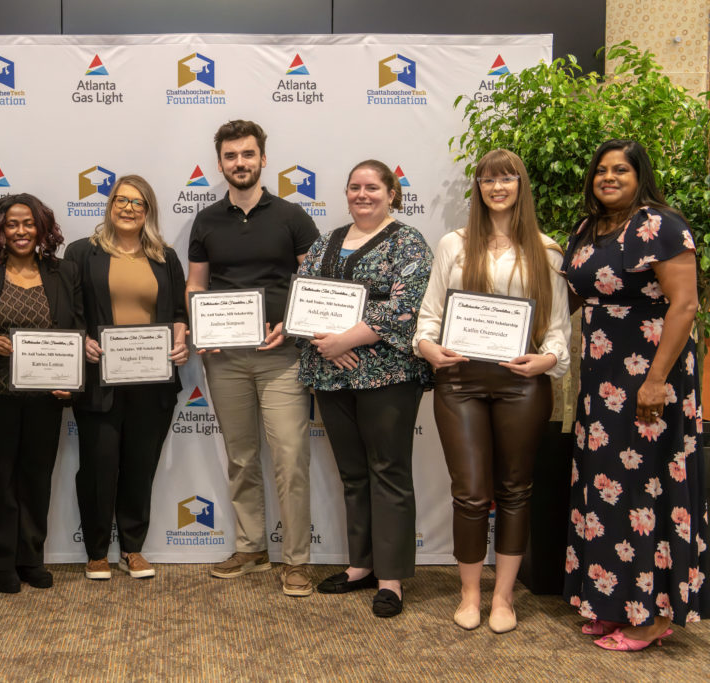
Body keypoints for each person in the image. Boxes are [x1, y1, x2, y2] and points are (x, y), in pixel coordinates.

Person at [414, 149, 571, 632]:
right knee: (470, 493)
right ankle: (469, 594)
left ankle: (503, 598)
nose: (497, 187)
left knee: (515, 490)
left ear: (521, 186)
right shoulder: (453, 245)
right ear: (478, 188)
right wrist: (427, 348)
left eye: (507, 178)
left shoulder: (546, 251)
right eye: (487, 179)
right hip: (459, 380)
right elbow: (428, 318)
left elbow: (559, 331)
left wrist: (546, 359)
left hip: (522, 383)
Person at [560, 139, 709, 649]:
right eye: (601, 170)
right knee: (605, 487)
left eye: (620, 169)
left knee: (645, 487)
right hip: (601, 378)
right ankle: (610, 601)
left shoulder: (662, 226)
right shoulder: (586, 228)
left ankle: (650, 616)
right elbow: (573, 292)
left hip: (650, 376)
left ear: (639, 174)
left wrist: (655, 380)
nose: (609, 178)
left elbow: (685, 305)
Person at [186, 120, 320, 596]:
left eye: (247, 154)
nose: (239, 163)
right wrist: (202, 329)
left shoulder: (293, 217)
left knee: (290, 457)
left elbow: (313, 286)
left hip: (282, 357)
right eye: (230, 156)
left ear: (263, 159)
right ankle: (251, 546)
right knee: (242, 457)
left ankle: (297, 559)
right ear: (219, 163)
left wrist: (295, 326)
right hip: (224, 359)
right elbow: (196, 286)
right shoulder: (206, 221)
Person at [298, 160, 432, 617]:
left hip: (388, 374)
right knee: (353, 473)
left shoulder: (409, 241)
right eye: (354, 186)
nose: (362, 194)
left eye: (372, 187)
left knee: (388, 471)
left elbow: (408, 305)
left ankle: (390, 579)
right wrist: (328, 344)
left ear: (392, 193)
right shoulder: (327, 241)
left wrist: (347, 339)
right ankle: (361, 566)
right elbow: (303, 295)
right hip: (330, 371)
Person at [64, 175, 189, 580]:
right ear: (110, 205)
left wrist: (181, 340)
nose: (129, 208)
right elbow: (70, 310)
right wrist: (80, 341)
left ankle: (133, 548)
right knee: (98, 468)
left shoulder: (164, 256)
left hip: (152, 385)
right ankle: (97, 551)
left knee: (140, 466)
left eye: (138, 202)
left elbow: (178, 314)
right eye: (122, 200)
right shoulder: (83, 252)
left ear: (148, 210)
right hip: (100, 381)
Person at [0, 193, 83, 593]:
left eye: (28, 224)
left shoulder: (63, 271)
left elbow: (76, 329)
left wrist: (72, 377)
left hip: (44, 398)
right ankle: (0, 561)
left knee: (36, 478)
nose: (20, 231)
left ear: (42, 229)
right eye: (12, 224)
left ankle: (30, 557)